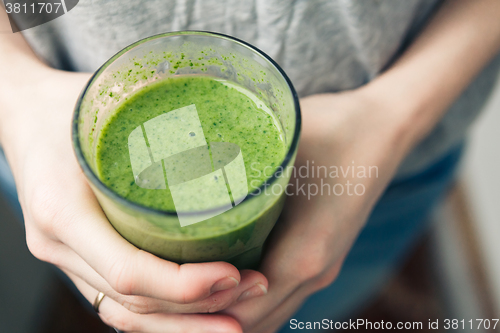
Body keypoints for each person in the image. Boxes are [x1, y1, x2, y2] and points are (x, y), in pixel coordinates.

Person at [1, 0, 499, 332]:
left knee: (313, 312)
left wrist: (391, 115)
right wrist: (16, 91)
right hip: (51, 159)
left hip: (384, 169)